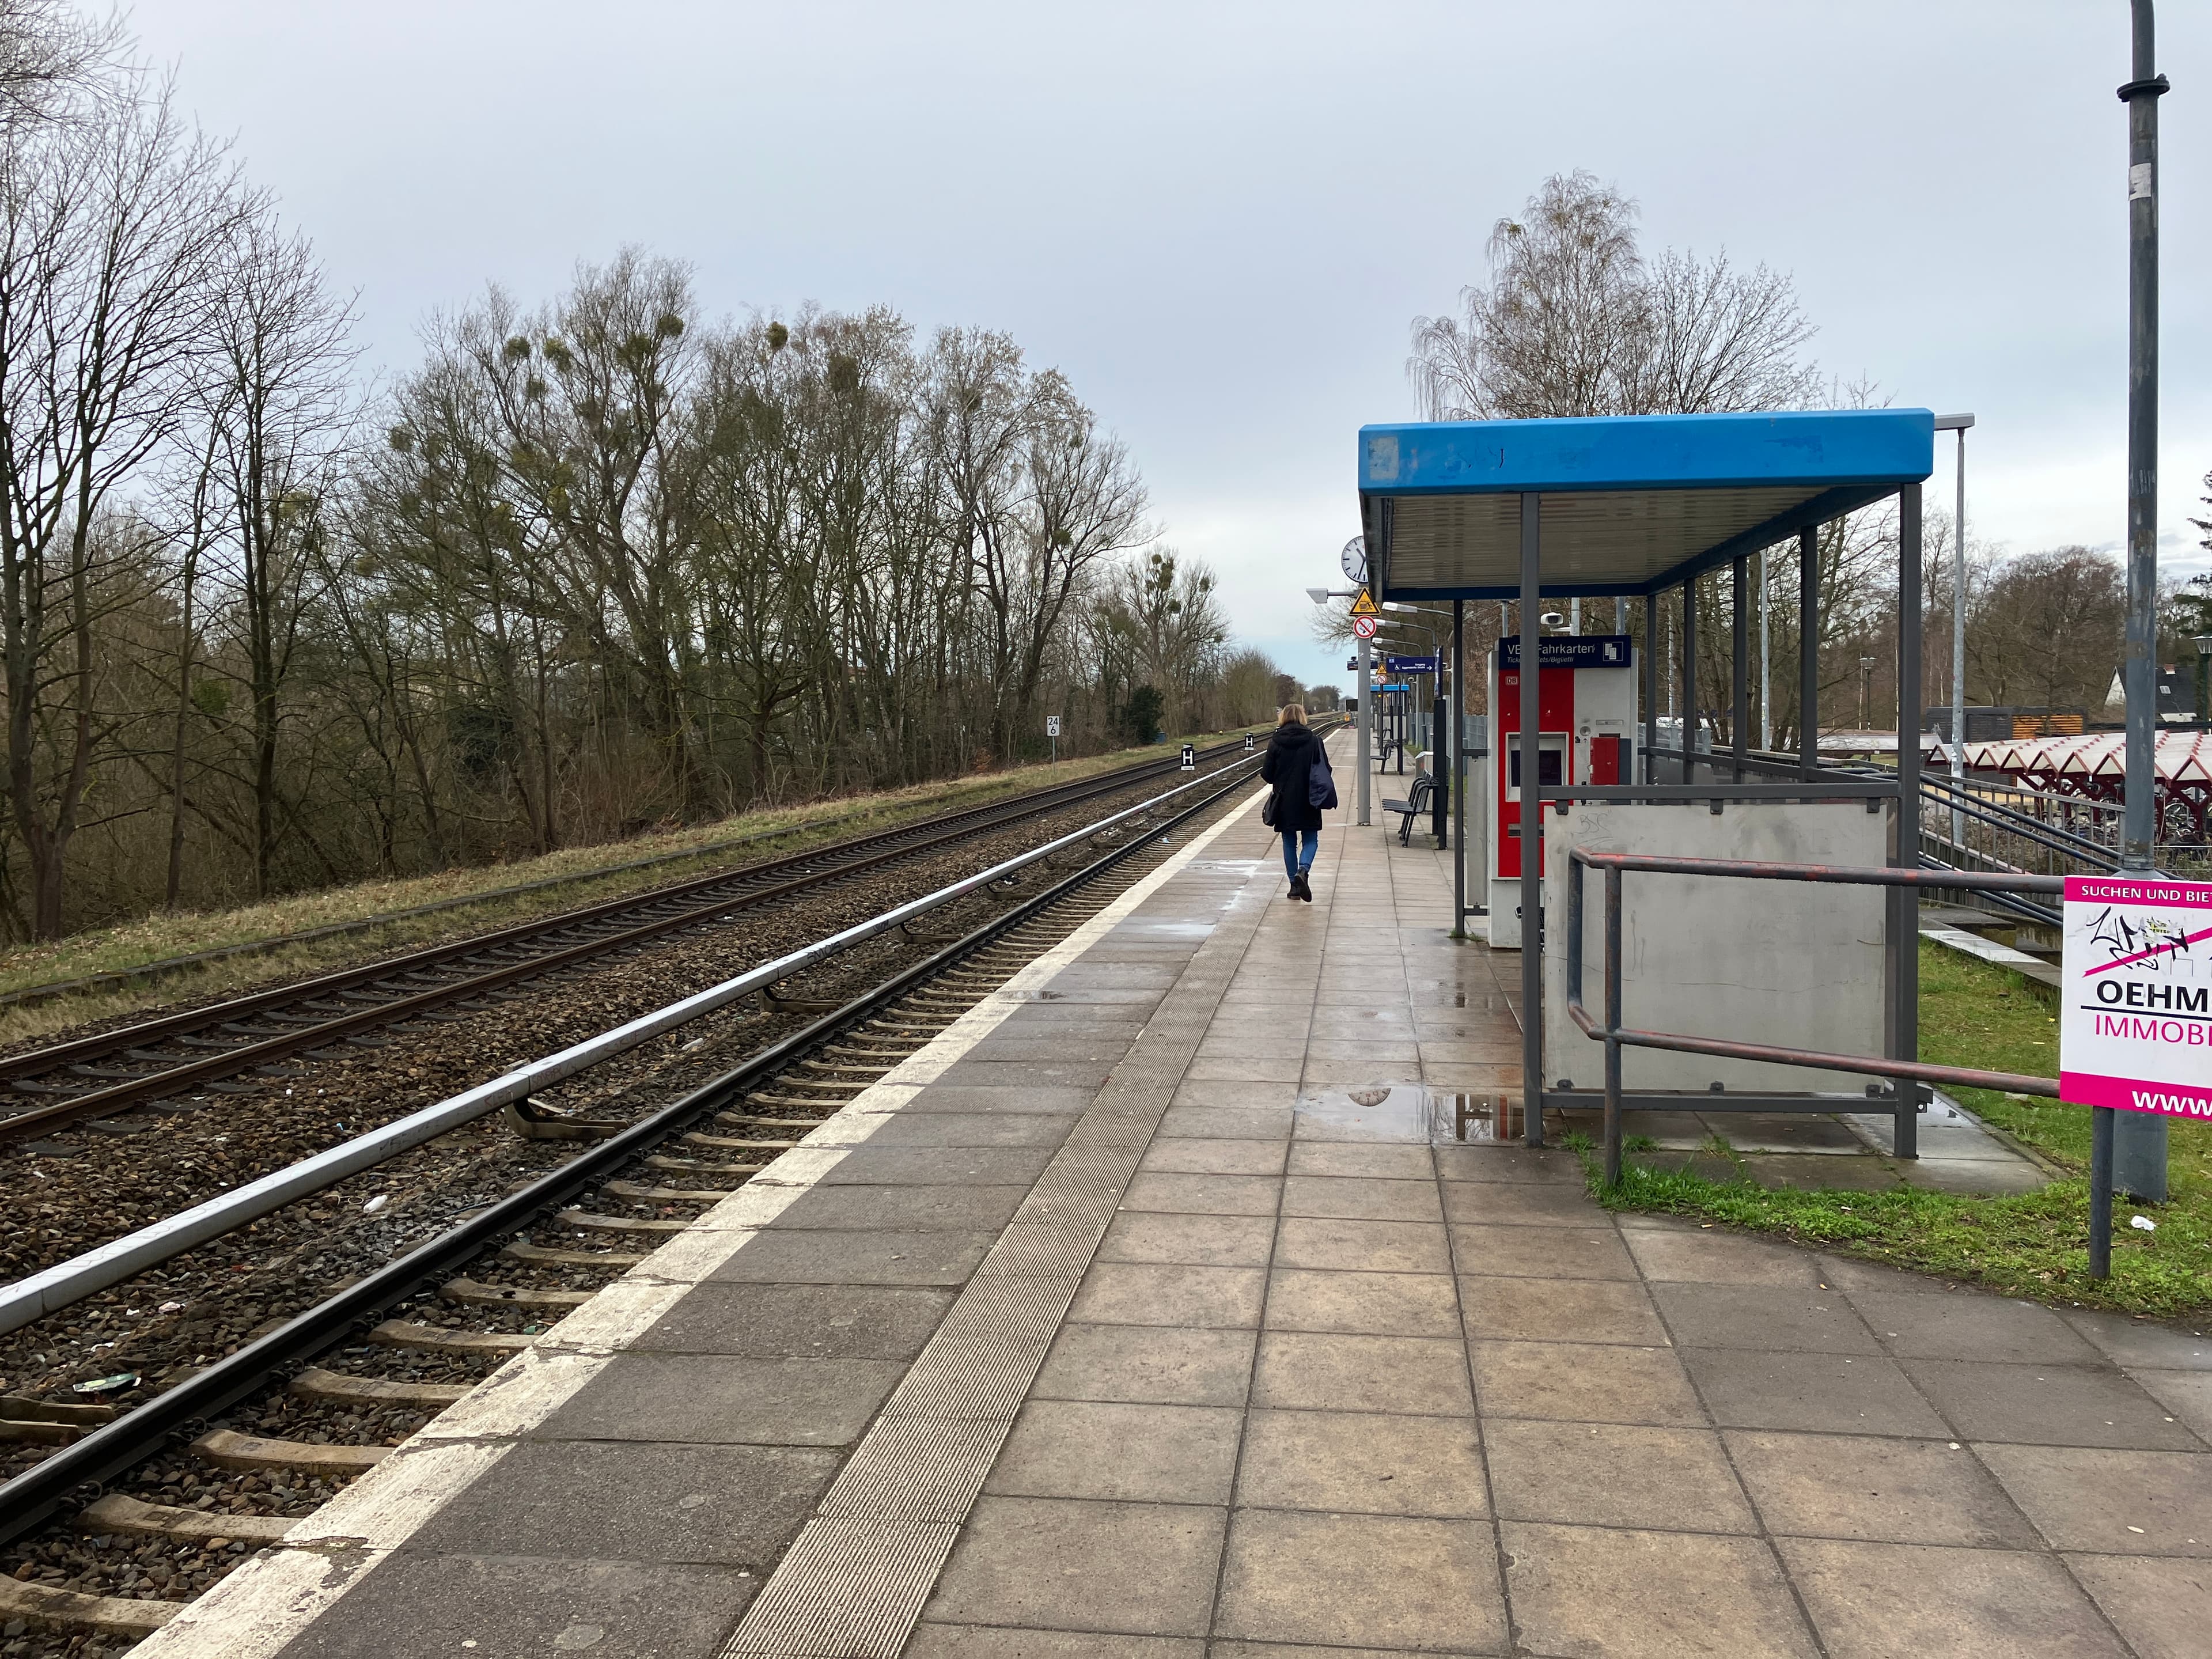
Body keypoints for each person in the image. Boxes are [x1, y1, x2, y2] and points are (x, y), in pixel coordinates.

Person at [1261, 703, 1332, 901]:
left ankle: (1294, 886)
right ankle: (1304, 869)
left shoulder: (1275, 741)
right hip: (1310, 799)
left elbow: (1267, 775)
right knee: (1311, 840)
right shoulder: (1314, 741)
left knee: (1289, 842)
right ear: (1303, 717)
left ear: (1283, 718)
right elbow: (1326, 769)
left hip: (1284, 801)